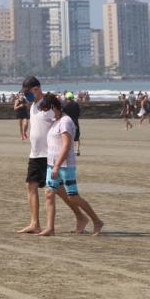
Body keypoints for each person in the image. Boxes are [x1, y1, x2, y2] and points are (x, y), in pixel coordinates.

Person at [17, 76, 87, 234]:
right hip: (35, 154)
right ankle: (35, 223)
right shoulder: (33, 105)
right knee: (31, 186)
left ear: (36, 89)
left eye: (27, 92)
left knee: (60, 191)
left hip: (48, 154)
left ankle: (80, 216)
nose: (25, 95)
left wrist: (61, 151)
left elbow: (60, 123)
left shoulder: (48, 106)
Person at [37, 94, 104, 237]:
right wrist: (52, 166)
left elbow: (67, 145)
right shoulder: (55, 121)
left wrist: (57, 166)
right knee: (49, 194)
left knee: (73, 196)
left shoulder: (65, 121)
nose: (44, 112)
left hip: (65, 166)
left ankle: (97, 221)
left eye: (45, 109)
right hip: (51, 164)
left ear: (53, 107)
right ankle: (50, 228)